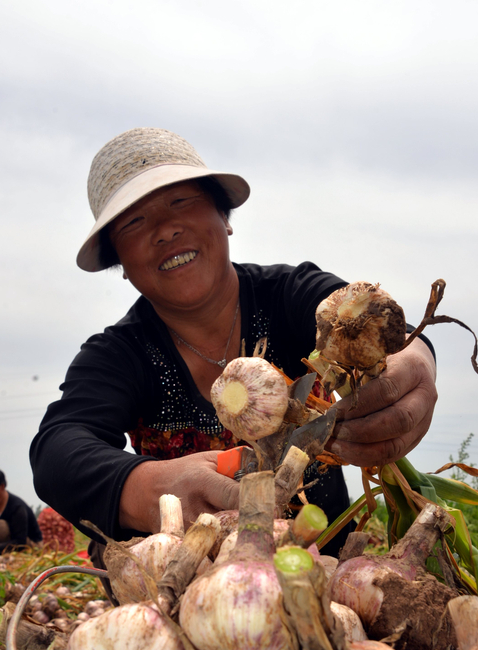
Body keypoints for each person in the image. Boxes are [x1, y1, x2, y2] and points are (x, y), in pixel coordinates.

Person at [30, 128, 437, 564]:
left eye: (180, 201)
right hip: (193, 587)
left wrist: (413, 363)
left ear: (224, 217)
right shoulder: (120, 354)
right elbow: (58, 449)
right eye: (133, 222)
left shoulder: (287, 294)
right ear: (121, 265)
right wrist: (152, 489)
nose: (165, 229)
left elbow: (364, 316)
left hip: (324, 568)